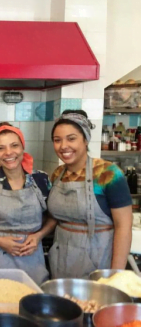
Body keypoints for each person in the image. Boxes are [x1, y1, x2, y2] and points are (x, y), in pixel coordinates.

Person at [48, 110, 132, 278]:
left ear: (85, 140)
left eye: (71, 139)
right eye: (57, 140)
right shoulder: (58, 174)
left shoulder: (108, 173)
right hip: (61, 260)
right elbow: (55, 217)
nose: (63, 146)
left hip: (99, 260)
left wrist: (116, 275)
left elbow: (124, 226)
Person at [0, 122, 55, 284]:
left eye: (14, 145)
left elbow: (53, 218)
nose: (8, 153)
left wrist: (38, 236)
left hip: (33, 262)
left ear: (23, 147)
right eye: (1, 148)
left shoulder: (41, 181)